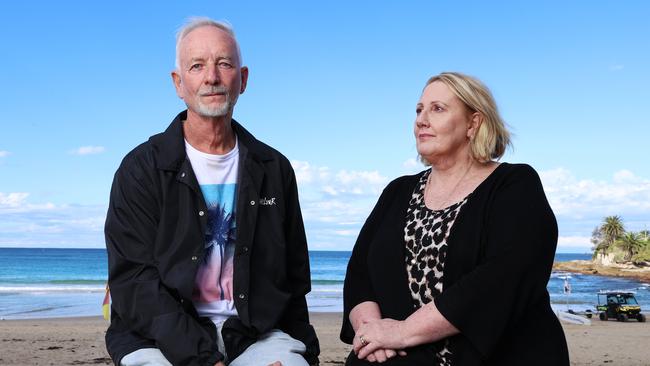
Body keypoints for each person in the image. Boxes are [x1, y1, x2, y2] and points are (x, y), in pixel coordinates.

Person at [105, 17, 319, 366]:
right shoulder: (140, 169)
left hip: (255, 334)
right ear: (178, 82)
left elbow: (295, 279)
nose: (212, 77)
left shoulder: (274, 168)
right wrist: (204, 360)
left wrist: (307, 353)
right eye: (197, 66)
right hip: (158, 338)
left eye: (224, 63)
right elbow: (134, 283)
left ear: (243, 79)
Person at [340, 72, 569, 365]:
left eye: (437, 109)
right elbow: (360, 272)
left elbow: (504, 278)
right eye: (419, 110)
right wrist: (370, 333)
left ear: (473, 123)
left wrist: (403, 331)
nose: (421, 119)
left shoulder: (514, 184)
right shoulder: (397, 191)